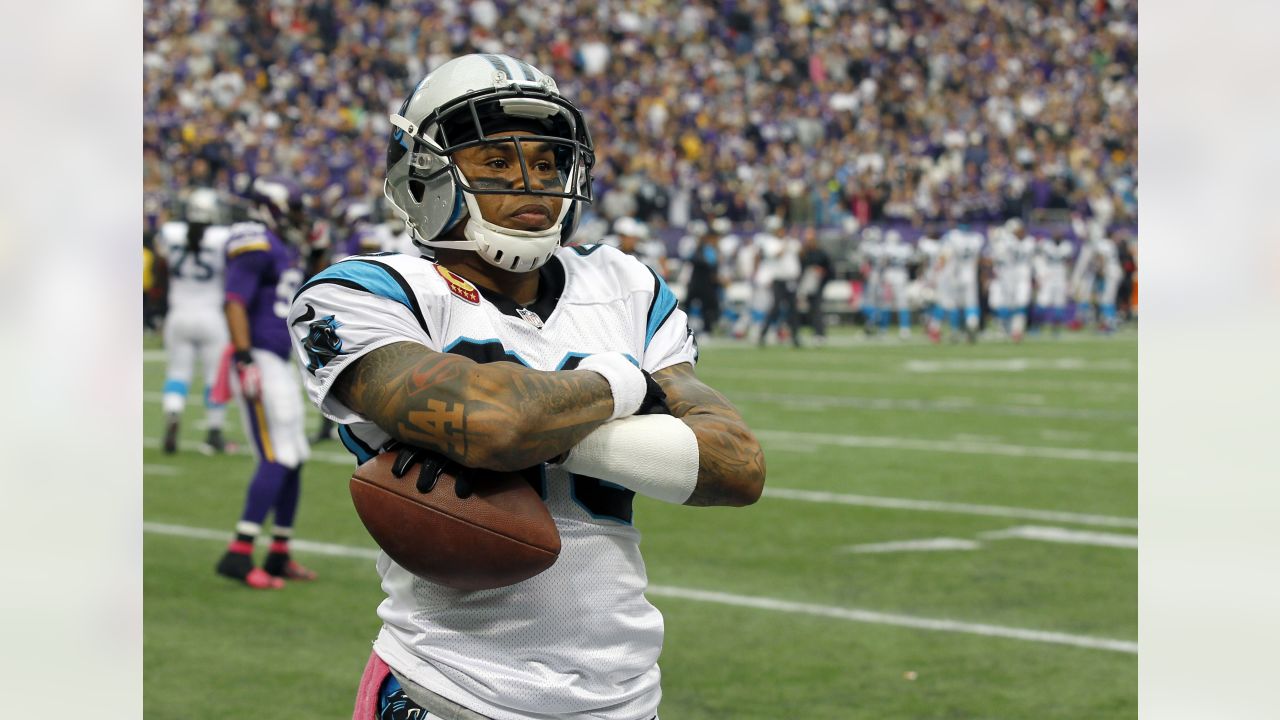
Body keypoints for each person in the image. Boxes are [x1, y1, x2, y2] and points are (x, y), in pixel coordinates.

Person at [286, 54, 765, 720]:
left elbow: (737, 467)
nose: (531, 182)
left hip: (626, 697)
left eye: (547, 163)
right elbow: (492, 424)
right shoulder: (368, 291)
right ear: (424, 173)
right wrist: (628, 384)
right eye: (497, 161)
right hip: (451, 690)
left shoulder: (624, 283)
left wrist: (547, 425)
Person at [213, 176, 319, 590]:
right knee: (277, 455)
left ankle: (278, 552)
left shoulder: (281, 246)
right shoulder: (253, 241)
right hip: (257, 357)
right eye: (290, 209)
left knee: (295, 454)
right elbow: (234, 300)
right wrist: (243, 356)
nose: (296, 218)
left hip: (280, 359)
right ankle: (238, 554)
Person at [156, 188, 232, 453]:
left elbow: (162, 255)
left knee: (178, 373)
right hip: (211, 316)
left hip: (178, 314)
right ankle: (213, 431)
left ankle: (174, 411)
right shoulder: (223, 237)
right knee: (214, 377)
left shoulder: (171, 233)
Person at [682, 220, 723, 336]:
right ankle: (682, 329)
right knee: (688, 306)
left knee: (708, 307)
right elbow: (691, 259)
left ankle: (707, 330)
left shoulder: (710, 249)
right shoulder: (697, 248)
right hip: (696, 281)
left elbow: (713, 264)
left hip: (707, 283)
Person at [795, 226, 832, 344]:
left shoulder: (821, 253)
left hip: (818, 285)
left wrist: (822, 274)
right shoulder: (802, 253)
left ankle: (819, 333)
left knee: (816, 310)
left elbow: (830, 270)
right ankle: (810, 332)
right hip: (804, 286)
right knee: (808, 310)